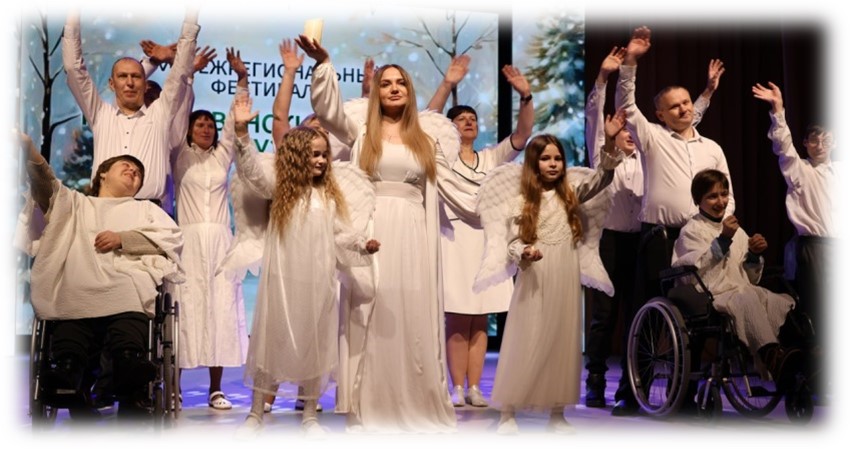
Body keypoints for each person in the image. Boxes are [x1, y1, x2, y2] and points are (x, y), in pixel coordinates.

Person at [297, 34, 468, 433]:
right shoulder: (361, 133)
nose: (393, 88)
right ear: (376, 92)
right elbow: (327, 110)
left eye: (400, 83)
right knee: (371, 311)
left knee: (409, 314)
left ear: (409, 91)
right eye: (386, 83)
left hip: (412, 232)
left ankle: (412, 399)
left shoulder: (425, 141)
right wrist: (323, 63)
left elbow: (457, 190)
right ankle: (365, 404)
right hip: (373, 229)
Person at [232, 94, 381, 434]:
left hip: (318, 281)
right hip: (283, 280)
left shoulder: (328, 195)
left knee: (316, 342)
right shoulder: (280, 189)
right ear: (298, 156)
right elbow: (251, 172)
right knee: (272, 340)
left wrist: (362, 244)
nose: (322, 161)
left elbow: (340, 234)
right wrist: (241, 133)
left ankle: (310, 414)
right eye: (314, 154)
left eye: (324, 155)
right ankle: (255, 413)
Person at [583, 47, 719, 408]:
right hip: (618, 240)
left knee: (660, 311)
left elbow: (687, 121)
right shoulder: (609, 155)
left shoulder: (656, 153)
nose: (629, 133)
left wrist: (706, 93)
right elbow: (604, 114)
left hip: (659, 239)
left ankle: (667, 387)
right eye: (623, 129)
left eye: (633, 130)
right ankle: (602, 379)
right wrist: (609, 75)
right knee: (608, 314)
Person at [19, 132, 183, 420]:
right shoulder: (77, 203)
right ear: (103, 173)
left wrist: (124, 238)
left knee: (130, 290)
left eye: (138, 173)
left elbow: (170, 241)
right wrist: (30, 151)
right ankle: (68, 369)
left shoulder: (145, 209)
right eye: (126, 166)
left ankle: (129, 364)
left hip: (125, 280)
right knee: (71, 291)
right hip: (80, 280)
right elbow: (46, 187)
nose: (133, 171)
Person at [612, 26, 732, 416]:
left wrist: (728, 229)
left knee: (698, 315)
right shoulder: (653, 138)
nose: (682, 109)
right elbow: (626, 104)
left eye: (686, 103)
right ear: (660, 115)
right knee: (647, 312)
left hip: (701, 237)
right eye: (674, 107)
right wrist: (631, 62)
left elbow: (726, 194)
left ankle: (690, 393)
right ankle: (633, 392)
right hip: (660, 238)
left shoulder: (711, 147)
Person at [474, 126, 622, 434]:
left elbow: (603, 178)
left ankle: (557, 413)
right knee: (526, 338)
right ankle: (508, 411)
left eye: (557, 158)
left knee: (561, 341)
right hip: (536, 276)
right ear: (533, 163)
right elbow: (512, 243)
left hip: (565, 274)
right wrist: (525, 251)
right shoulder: (522, 202)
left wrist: (609, 142)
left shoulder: (570, 195)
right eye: (545, 158)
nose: (553, 164)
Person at [426, 55, 534, 407]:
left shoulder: (490, 157)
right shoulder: (441, 158)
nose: (468, 122)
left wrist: (526, 97)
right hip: (454, 240)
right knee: (458, 316)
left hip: (486, 243)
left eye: (472, 119)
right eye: (461, 119)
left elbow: (522, 135)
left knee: (482, 317)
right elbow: (426, 123)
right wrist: (448, 82)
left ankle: (474, 387)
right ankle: (456, 388)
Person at [168, 47, 251, 411]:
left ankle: (216, 389)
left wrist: (242, 79)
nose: (206, 129)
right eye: (199, 124)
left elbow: (235, 122)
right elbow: (176, 109)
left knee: (220, 308)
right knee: (185, 308)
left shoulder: (221, 157)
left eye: (210, 125)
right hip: (186, 241)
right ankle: (175, 387)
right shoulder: (179, 156)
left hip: (219, 241)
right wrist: (189, 75)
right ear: (189, 129)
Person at [672, 169, 802, 387]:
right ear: (697, 200)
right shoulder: (691, 231)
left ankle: (800, 357)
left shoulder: (737, 230)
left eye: (724, 194)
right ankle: (772, 357)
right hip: (714, 295)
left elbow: (750, 278)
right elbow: (698, 272)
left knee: (780, 301)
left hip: (741, 290)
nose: (720, 201)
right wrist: (723, 239)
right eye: (712, 196)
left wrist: (754, 255)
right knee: (747, 297)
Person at [61, 9, 199, 203]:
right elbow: (73, 68)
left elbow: (181, 71)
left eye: (136, 76)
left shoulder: (159, 114)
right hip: (104, 209)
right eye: (122, 76)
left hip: (148, 211)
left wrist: (191, 17)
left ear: (145, 83)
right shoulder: (101, 114)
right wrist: (72, 16)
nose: (130, 83)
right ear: (112, 84)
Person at [751, 81, 835, 345]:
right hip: (815, 247)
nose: (820, 144)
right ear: (806, 143)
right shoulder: (800, 171)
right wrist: (778, 109)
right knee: (819, 307)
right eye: (814, 140)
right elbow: (783, 147)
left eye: (826, 139)